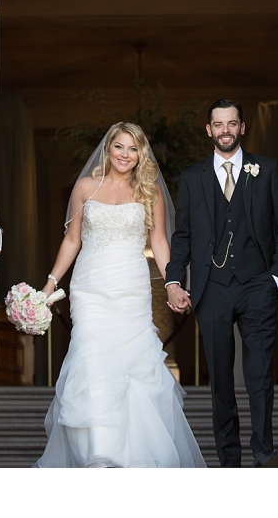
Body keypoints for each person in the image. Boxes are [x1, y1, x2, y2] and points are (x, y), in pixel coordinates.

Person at [36, 122, 206, 468]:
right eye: (119, 147)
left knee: (133, 366)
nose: (125, 155)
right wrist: (49, 285)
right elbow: (72, 240)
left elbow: (159, 241)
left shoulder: (149, 192)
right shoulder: (85, 187)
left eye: (133, 149)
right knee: (92, 360)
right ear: (108, 149)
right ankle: (100, 454)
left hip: (130, 286)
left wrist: (173, 283)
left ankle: (133, 457)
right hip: (90, 288)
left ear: (141, 153)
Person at [165, 99, 278, 468]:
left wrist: (275, 278)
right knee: (220, 379)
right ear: (208, 130)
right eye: (218, 124)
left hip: (257, 284)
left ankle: (264, 452)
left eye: (232, 123)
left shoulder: (267, 170)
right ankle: (229, 459)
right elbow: (184, 237)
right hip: (212, 288)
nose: (225, 130)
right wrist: (174, 280)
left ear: (242, 127)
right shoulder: (191, 178)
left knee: (259, 375)